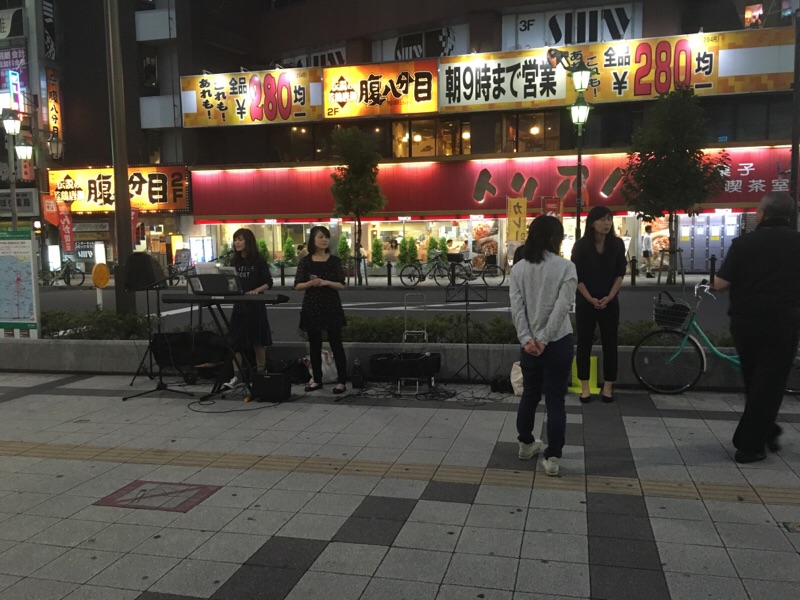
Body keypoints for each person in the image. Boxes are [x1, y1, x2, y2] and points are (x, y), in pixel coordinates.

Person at [712, 192, 800, 464]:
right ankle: (752, 443)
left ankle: (763, 433)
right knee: (770, 383)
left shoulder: (744, 243)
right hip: (783, 322)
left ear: (763, 213)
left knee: (754, 379)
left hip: (746, 322)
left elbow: (720, 284)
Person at [510, 215, 577, 477]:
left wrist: (527, 339)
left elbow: (517, 309)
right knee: (555, 400)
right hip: (558, 342)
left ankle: (526, 444)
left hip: (529, 346)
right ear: (553, 238)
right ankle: (552, 457)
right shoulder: (566, 267)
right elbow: (563, 307)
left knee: (530, 393)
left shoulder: (518, 268)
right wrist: (545, 339)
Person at [571, 206, 628, 403]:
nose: (607, 223)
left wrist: (610, 296)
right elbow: (576, 276)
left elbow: (620, 273)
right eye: (602, 219)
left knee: (610, 344)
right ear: (592, 223)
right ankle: (585, 387)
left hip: (609, 301)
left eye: (609, 219)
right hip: (586, 301)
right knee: (584, 343)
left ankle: (608, 387)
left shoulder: (617, 244)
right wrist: (589, 298)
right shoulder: (581, 246)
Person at [294, 226, 348, 394]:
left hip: (331, 305)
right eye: (320, 237)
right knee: (314, 344)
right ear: (313, 240)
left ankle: (342, 380)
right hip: (312, 305)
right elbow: (297, 285)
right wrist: (311, 283)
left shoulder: (334, 261)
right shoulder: (306, 261)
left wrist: (326, 282)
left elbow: (341, 284)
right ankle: (317, 379)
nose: (324, 240)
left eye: (326, 237)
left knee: (336, 343)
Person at [224, 228, 273, 388]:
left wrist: (256, 291)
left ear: (248, 241)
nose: (237, 242)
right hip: (239, 304)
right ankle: (237, 376)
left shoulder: (258, 260)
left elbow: (268, 282)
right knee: (235, 342)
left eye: (240, 239)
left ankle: (260, 374)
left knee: (258, 341)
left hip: (255, 305)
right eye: (235, 239)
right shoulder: (234, 261)